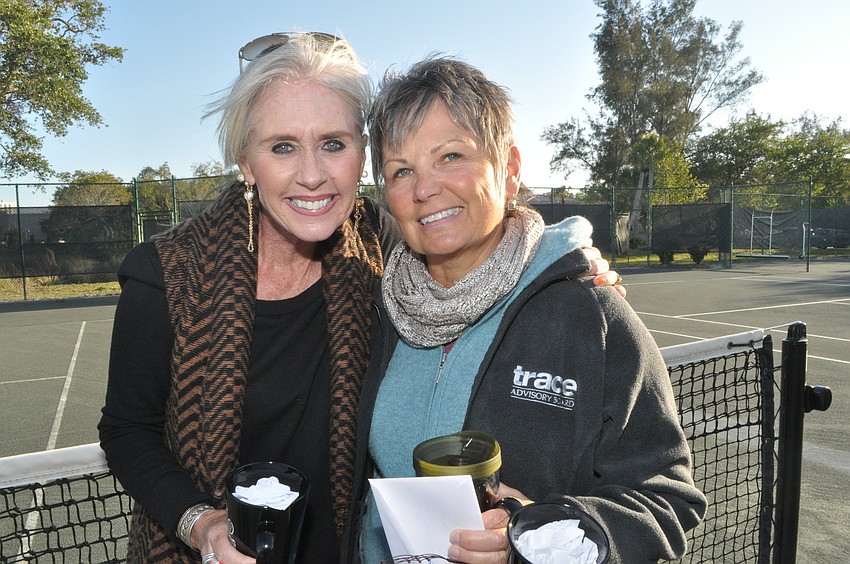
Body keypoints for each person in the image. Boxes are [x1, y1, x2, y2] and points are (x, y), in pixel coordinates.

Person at [98, 34, 621, 564]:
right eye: (282, 146)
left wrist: (561, 259)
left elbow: (472, 222)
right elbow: (125, 431)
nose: (311, 174)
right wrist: (202, 525)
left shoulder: (382, 248)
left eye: (333, 143)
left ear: (360, 155)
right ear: (247, 164)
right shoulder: (168, 273)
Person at [344, 56, 707, 564]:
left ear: (509, 170)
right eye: (401, 170)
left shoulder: (590, 312)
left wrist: (542, 536)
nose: (424, 188)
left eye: (450, 156)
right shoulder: (371, 309)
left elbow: (668, 498)